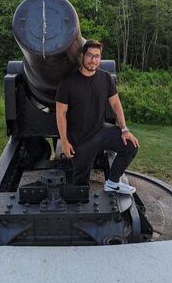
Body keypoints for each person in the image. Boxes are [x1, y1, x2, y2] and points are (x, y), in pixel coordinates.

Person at [55, 40, 139, 194]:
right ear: (82, 56)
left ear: (100, 58)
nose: (93, 60)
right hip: (80, 139)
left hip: (101, 131)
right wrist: (65, 142)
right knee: (80, 187)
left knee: (130, 145)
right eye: (89, 55)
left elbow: (116, 104)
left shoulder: (106, 78)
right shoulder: (67, 82)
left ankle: (113, 182)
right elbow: (61, 113)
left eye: (97, 56)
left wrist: (124, 129)